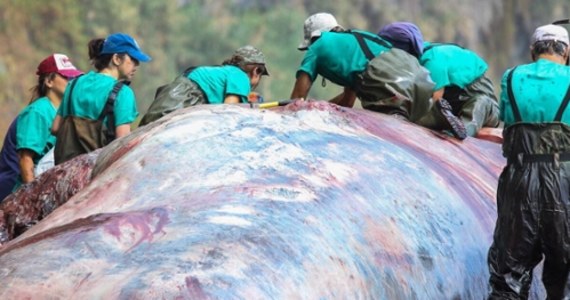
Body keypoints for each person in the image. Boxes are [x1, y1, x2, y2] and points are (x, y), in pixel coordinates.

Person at [487, 24, 570, 298]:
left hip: (520, 181)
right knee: (566, 274)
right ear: (566, 51)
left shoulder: (511, 78)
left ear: (533, 50)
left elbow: (508, 119)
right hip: (565, 182)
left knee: (509, 273)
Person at [290, 13, 437, 126]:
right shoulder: (356, 45)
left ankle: (396, 114)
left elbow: (296, 100)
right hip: (419, 75)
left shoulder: (317, 45)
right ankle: (435, 114)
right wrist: (320, 108)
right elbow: (347, 102)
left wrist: (290, 116)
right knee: (416, 113)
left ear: (314, 37)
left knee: (378, 104)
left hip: (390, 82)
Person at [378, 22, 500, 138]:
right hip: (451, 105)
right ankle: (444, 120)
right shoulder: (418, 59)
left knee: (478, 105)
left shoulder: (433, 60)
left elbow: (436, 98)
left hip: (482, 105)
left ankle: (462, 131)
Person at [52, 33, 151, 165]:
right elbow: (122, 144)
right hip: (95, 174)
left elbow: (55, 128)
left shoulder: (74, 84)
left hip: (65, 168)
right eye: (133, 59)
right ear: (116, 59)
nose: (137, 64)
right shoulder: (123, 93)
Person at [1, 54, 83, 197]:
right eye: (66, 77)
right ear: (49, 82)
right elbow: (25, 160)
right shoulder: (38, 112)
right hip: (14, 190)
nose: (71, 82)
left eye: (73, 78)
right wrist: (32, 199)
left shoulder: (60, 112)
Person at [139, 45, 269, 126]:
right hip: (183, 99)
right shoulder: (241, 76)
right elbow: (229, 111)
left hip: (172, 94)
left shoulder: (223, 71)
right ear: (256, 71)